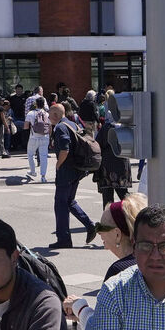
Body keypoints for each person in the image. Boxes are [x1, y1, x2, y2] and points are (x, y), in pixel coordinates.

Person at [47, 102, 99, 250]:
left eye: (49, 115)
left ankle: (64, 239)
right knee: (69, 201)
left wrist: (58, 165)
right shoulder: (73, 124)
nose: (48, 118)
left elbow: (65, 150)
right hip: (76, 170)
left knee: (60, 204)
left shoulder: (60, 127)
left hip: (66, 171)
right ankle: (90, 225)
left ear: (55, 115)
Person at [96, 192, 150, 281]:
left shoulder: (118, 270)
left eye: (101, 227)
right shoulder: (153, 260)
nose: (98, 232)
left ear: (117, 234)